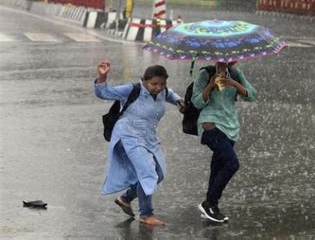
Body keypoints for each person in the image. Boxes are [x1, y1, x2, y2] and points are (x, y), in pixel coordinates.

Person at [94, 60, 184, 226]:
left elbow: (170, 94)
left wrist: (179, 101)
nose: (158, 87)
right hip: (128, 134)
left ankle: (125, 198)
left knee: (159, 172)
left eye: (162, 84)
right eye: (154, 84)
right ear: (144, 81)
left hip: (148, 137)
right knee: (147, 171)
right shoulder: (132, 90)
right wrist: (102, 76)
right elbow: (104, 93)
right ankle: (146, 214)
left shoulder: (163, 92)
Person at [192, 61, 257, 223]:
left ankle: (211, 206)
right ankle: (209, 203)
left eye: (232, 58)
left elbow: (252, 95)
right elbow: (197, 102)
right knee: (232, 163)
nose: (228, 60)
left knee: (218, 165)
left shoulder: (235, 74)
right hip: (210, 125)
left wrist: (234, 83)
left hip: (231, 127)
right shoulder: (205, 74)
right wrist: (210, 86)